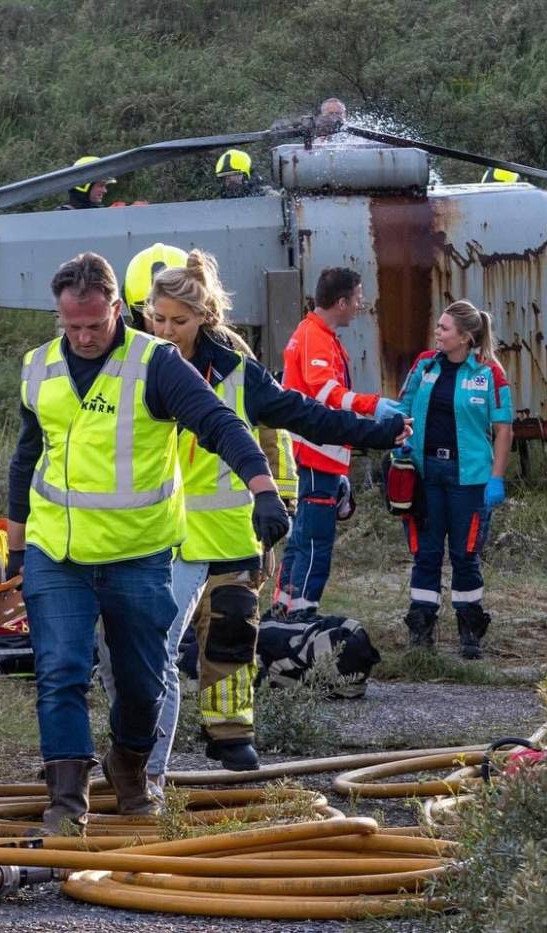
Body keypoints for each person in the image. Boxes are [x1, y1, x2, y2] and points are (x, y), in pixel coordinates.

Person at [6, 252, 291, 834]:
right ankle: (66, 804)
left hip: (137, 557)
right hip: (56, 554)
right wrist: (14, 548)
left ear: (117, 308)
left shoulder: (154, 364)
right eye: (71, 326)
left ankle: (130, 764)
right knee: (60, 669)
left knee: (142, 682)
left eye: (94, 323)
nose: (84, 337)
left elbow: (221, 424)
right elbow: (24, 459)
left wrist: (263, 487)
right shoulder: (38, 368)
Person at [99, 249, 409, 776]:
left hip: (227, 530)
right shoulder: (129, 367)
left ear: (204, 318)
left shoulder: (238, 372)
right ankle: (137, 754)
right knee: (146, 645)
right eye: (159, 319)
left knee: (232, 634)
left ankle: (229, 732)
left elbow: (301, 415)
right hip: (155, 532)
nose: (168, 330)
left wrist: (372, 433)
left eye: (180, 320)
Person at [279, 268, 403, 617]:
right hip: (318, 448)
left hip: (318, 449)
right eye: (358, 298)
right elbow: (325, 392)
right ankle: (302, 616)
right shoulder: (315, 337)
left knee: (303, 537)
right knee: (315, 540)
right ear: (341, 302)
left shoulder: (315, 333)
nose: (361, 305)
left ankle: (285, 608)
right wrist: (372, 405)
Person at [394, 301, 513, 659]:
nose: (437, 333)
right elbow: (402, 409)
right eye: (438, 327)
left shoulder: (490, 373)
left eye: (444, 329)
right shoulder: (424, 365)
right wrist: (401, 444)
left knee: (465, 555)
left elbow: (504, 428)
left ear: (465, 337)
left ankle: (470, 630)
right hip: (426, 474)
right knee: (426, 554)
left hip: (470, 479)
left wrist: (496, 478)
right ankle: (421, 630)